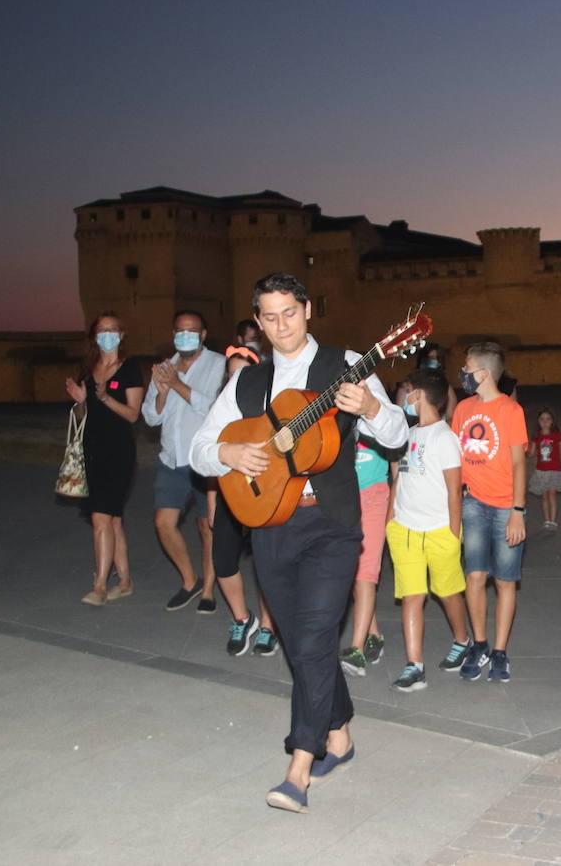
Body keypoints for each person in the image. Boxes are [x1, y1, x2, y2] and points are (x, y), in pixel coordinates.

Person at [189, 272, 407, 814]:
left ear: (307, 310)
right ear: (258, 322)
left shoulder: (346, 365)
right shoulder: (246, 384)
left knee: (311, 640)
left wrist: (373, 410)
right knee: (300, 641)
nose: (281, 324)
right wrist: (229, 456)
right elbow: (198, 448)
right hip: (268, 522)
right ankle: (340, 735)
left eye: (290, 311)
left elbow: (399, 435)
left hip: (332, 525)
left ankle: (298, 766)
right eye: (269, 315)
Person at [384, 368, 471, 691]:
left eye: (408, 391)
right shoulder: (408, 434)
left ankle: (462, 640)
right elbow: (400, 477)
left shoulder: (445, 438)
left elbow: (454, 489)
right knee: (412, 596)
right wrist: (390, 518)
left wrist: (452, 532)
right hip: (405, 528)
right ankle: (414, 665)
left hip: (438, 531)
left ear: (419, 394)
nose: (405, 397)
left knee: (447, 593)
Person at [451, 342, 527, 683]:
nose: (463, 373)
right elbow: (453, 460)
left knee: (506, 580)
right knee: (475, 576)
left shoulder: (511, 411)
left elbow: (517, 462)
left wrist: (518, 510)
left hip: (505, 506)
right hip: (473, 502)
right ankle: (479, 644)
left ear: (482, 373)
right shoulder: (463, 409)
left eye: (467, 367)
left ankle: (500, 651)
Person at [142, 310, 224, 613]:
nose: (185, 336)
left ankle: (207, 591)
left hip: (203, 460)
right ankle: (189, 581)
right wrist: (162, 392)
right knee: (163, 523)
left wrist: (176, 384)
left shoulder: (218, 365)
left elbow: (215, 408)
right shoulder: (164, 368)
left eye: (192, 331)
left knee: (207, 527)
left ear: (203, 334)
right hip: (171, 458)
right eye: (179, 331)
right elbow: (151, 417)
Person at [64, 313, 144, 606]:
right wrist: (82, 401)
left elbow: (134, 414)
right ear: (94, 336)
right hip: (91, 451)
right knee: (113, 520)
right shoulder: (88, 369)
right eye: (101, 331)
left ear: (121, 334)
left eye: (112, 330)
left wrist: (106, 398)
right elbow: (83, 418)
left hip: (119, 452)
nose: (107, 335)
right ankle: (124, 581)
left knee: (101, 516)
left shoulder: (130, 369)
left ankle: (99, 586)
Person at [209, 328, 278, 657]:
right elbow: (208, 453)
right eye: (230, 372)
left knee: (265, 561)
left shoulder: (269, 402)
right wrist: (212, 501)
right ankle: (242, 618)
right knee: (222, 559)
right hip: (228, 489)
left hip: (265, 489)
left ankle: (268, 624)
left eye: (242, 372)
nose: (235, 378)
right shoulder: (218, 407)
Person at [337, 437, 392, 677]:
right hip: (343, 497)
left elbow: (397, 464)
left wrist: (393, 511)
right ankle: (374, 635)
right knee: (350, 572)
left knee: (366, 574)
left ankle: (356, 650)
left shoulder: (380, 411)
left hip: (373, 495)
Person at [528, 407, 561, 529]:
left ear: (552, 421)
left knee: (552, 495)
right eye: (542, 419)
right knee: (544, 496)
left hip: (555, 470)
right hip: (541, 471)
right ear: (538, 421)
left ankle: (553, 521)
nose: (545, 422)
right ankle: (547, 520)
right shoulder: (536, 437)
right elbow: (531, 454)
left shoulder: (556, 436)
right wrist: (529, 448)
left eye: (548, 419)